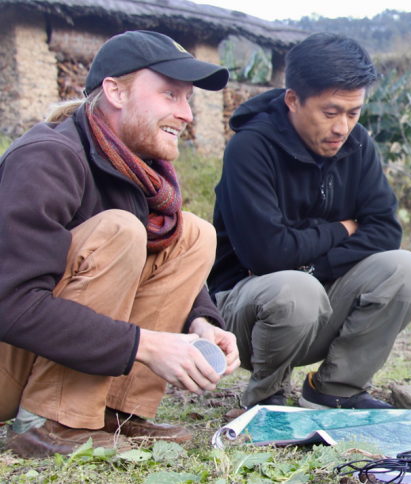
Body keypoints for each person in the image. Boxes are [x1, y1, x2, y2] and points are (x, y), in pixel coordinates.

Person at [0, 30, 240, 458]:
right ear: (115, 91)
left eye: (187, 99)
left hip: (44, 355)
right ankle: (51, 421)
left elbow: (162, 258)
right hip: (7, 363)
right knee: (121, 230)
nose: (186, 114)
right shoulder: (47, 158)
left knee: (194, 233)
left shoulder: (134, 166)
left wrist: (202, 321)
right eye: (170, 95)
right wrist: (146, 345)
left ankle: (116, 413)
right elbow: (12, 304)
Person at [208, 33, 411, 410]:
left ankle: (335, 389)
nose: (343, 127)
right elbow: (267, 255)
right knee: (297, 289)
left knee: (406, 270)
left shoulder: (358, 145)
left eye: (353, 112)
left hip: (318, 306)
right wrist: (343, 228)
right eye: (331, 113)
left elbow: (385, 231)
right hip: (244, 319)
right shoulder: (250, 148)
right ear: (293, 100)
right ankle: (265, 399)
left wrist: (314, 264)